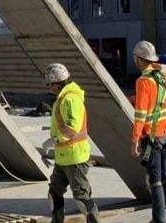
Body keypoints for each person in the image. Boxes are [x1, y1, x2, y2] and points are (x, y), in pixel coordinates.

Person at [131, 41, 166, 223]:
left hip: (152, 137)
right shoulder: (162, 77)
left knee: (155, 180)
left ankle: (158, 219)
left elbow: (141, 113)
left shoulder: (143, 81)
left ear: (138, 59)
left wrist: (135, 138)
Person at [43, 63, 99, 223]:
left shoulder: (70, 99)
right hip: (63, 157)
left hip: (75, 158)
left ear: (57, 84)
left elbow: (71, 128)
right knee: (54, 194)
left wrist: (53, 140)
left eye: (49, 84)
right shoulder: (62, 98)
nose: (48, 87)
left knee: (82, 199)